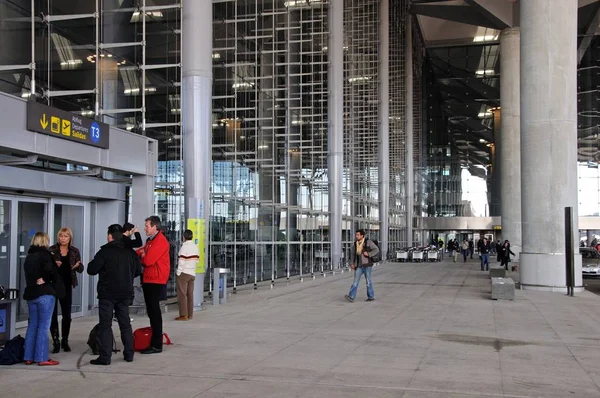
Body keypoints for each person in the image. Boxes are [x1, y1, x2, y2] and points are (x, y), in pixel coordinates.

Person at [87, 224, 141, 365]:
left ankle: (105, 357)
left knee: (106, 325)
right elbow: (138, 271)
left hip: (107, 293)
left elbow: (91, 269)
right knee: (125, 324)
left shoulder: (104, 252)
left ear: (109, 236)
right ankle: (129, 354)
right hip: (125, 293)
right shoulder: (130, 253)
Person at [22, 232, 59, 366]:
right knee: (44, 326)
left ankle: (28, 356)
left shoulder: (29, 257)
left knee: (32, 325)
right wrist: (47, 279)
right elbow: (52, 272)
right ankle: (42, 357)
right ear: (45, 241)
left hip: (31, 294)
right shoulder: (45, 255)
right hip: (45, 294)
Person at [136, 216, 170, 354]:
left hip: (155, 279)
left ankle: (156, 344)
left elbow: (148, 260)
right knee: (152, 311)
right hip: (150, 278)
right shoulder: (151, 241)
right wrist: (142, 253)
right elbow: (141, 251)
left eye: (147, 226)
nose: (145, 228)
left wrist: (143, 255)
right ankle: (155, 342)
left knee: (154, 312)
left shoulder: (160, 241)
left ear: (154, 227)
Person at [48, 227, 83, 353]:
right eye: (61, 236)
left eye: (66, 236)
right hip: (53, 284)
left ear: (70, 238)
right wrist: (53, 265)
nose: (63, 238)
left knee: (67, 315)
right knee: (52, 315)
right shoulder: (51, 250)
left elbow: (81, 268)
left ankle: (65, 340)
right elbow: (45, 267)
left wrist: (77, 266)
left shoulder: (74, 251)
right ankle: (55, 341)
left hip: (67, 284)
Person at [345, 229, 380, 302]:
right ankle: (351, 296)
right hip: (359, 266)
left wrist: (369, 254)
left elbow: (376, 249)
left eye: (358, 235)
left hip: (367, 265)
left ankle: (371, 296)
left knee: (368, 281)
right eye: (356, 235)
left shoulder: (368, 242)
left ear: (362, 235)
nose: (356, 236)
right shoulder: (355, 244)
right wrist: (351, 263)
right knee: (355, 281)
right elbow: (352, 254)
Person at [176, 229, 199, 321]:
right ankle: (190, 314)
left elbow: (181, 261)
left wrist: (178, 272)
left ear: (183, 237)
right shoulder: (195, 247)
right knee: (190, 294)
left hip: (184, 273)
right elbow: (197, 259)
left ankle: (183, 315)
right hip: (192, 273)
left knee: (182, 294)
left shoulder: (184, 247)